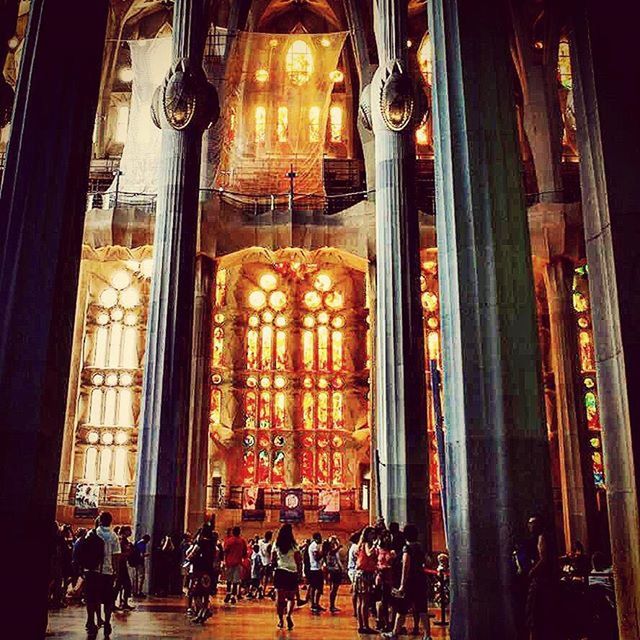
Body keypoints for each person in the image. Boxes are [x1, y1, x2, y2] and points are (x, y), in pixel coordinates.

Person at [382, 524, 431, 640]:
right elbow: (427, 561)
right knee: (422, 609)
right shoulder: (420, 547)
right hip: (421, 580)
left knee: (401, 609)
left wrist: (402, 585)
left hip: (410, 582)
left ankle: (394, 633)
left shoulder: (407, 549)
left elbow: (406, 566)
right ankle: (427, 635)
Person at [525, 515, 558, 640]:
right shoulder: (543, 538)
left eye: (531, 523)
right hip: (545, 582)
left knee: (533, 616)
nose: (529, 526)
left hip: (540, 582)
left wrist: (531, 572)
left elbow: (544, 559)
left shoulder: (542, 537)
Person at [94, 511, 121, 637]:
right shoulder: (113, 536)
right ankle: (108, 619)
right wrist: (116, 571)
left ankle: (99, 619)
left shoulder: (94, 533)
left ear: (100, 520)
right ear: (110, 521)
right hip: (108, 571)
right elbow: (116, 555)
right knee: (108, 598)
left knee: (96, 597)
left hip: (95, 571)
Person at [271, 523, 302, 631]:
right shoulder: (294, 545)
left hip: (280, 572)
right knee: (290, 598)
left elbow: (272, 560)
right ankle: (288, 615)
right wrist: (300, 574)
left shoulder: (276, 544)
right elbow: (299, 560)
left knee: (279, 600)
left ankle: (280, 620)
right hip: (291, 572)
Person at [186, 523, 217, 624]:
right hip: (209, 571)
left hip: (199, 570)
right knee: (205, 593)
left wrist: (189, 558)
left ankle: (202, 611)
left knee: (195, 592)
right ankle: (201, 614)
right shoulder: (213, 543)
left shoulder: (201, 543)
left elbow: (192, 554)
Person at [354, 526, 378, 634]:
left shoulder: (360, 545)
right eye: (371, 534)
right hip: (365, 574)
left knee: (360, 601)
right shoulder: (367, 544)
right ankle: (366, 626)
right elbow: (369, 553)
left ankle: (361, 625)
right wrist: (375, 545)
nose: (373, 536)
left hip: (360, 574)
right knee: (365, 601)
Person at [375, 530, 396, 631]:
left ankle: (386, 623)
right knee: (384, 601)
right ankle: (384, 622)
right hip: (383, 578)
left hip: (386, 578)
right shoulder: (381, 551)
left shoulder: (388, 552)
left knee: (387, 602)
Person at [223, 526, 247, 604]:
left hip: (229, 562)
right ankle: (233, 595)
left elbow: (225, 551)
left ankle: (228, 593)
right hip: (238, 563)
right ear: (239, 532)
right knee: (236, 581)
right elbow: (244, 553)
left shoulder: (228, 541)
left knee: (229, 580)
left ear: (233, 532)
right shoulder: (242, 541)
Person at [114, 525, 134, 610]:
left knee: (123, 585)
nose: (130, 532)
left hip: (122, 565)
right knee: (121, 585)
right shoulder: (122, 541)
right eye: (129, 530)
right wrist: (127, 553)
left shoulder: (125, 541)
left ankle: (123, 602)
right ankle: (116, 603)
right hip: (120, 565)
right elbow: (118, 554)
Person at [323, 536, 343, 613]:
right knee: (333, 589)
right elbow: (332, 552)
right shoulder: (329, 550)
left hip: (336, 570)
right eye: (333, 541)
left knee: (334, 589)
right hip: (333, 571)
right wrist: (338, 547)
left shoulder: (334, 550)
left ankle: (332, 605)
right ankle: (331, 606)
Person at [307, 532, 325, 613]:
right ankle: (314, 604)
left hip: (317, 568)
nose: (321, 539)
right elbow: (317, 557)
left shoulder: (316, 545)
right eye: (319, 537)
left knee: (316, 588)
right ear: (315, 538)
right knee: (315, 588)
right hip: (315, 569)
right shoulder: (313, 546)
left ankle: (316, 604)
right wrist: (323, 552)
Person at [130, 533, 151, 597]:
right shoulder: (142, 544)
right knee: (141, 577)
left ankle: (134, 591)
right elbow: (141, 555)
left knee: (135, 577)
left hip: (135, 562)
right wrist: (147, 554)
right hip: (140, 562)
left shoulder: (137, 543)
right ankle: (139, 591)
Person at [347, 530, 360, 618]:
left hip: (353, 570)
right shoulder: (356, 547)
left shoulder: (354, 546)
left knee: (355, 591)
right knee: (356, 592)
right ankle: (355, 610)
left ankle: (356, 610)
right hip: (354, 570)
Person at [258, 531, 274, 598]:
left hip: (260, 561)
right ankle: (263, 591)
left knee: (260, 577)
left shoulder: (259, 541)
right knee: (266, 577)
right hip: (267, 562)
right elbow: (270, 553)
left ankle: (260, 590)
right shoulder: (269, 545)